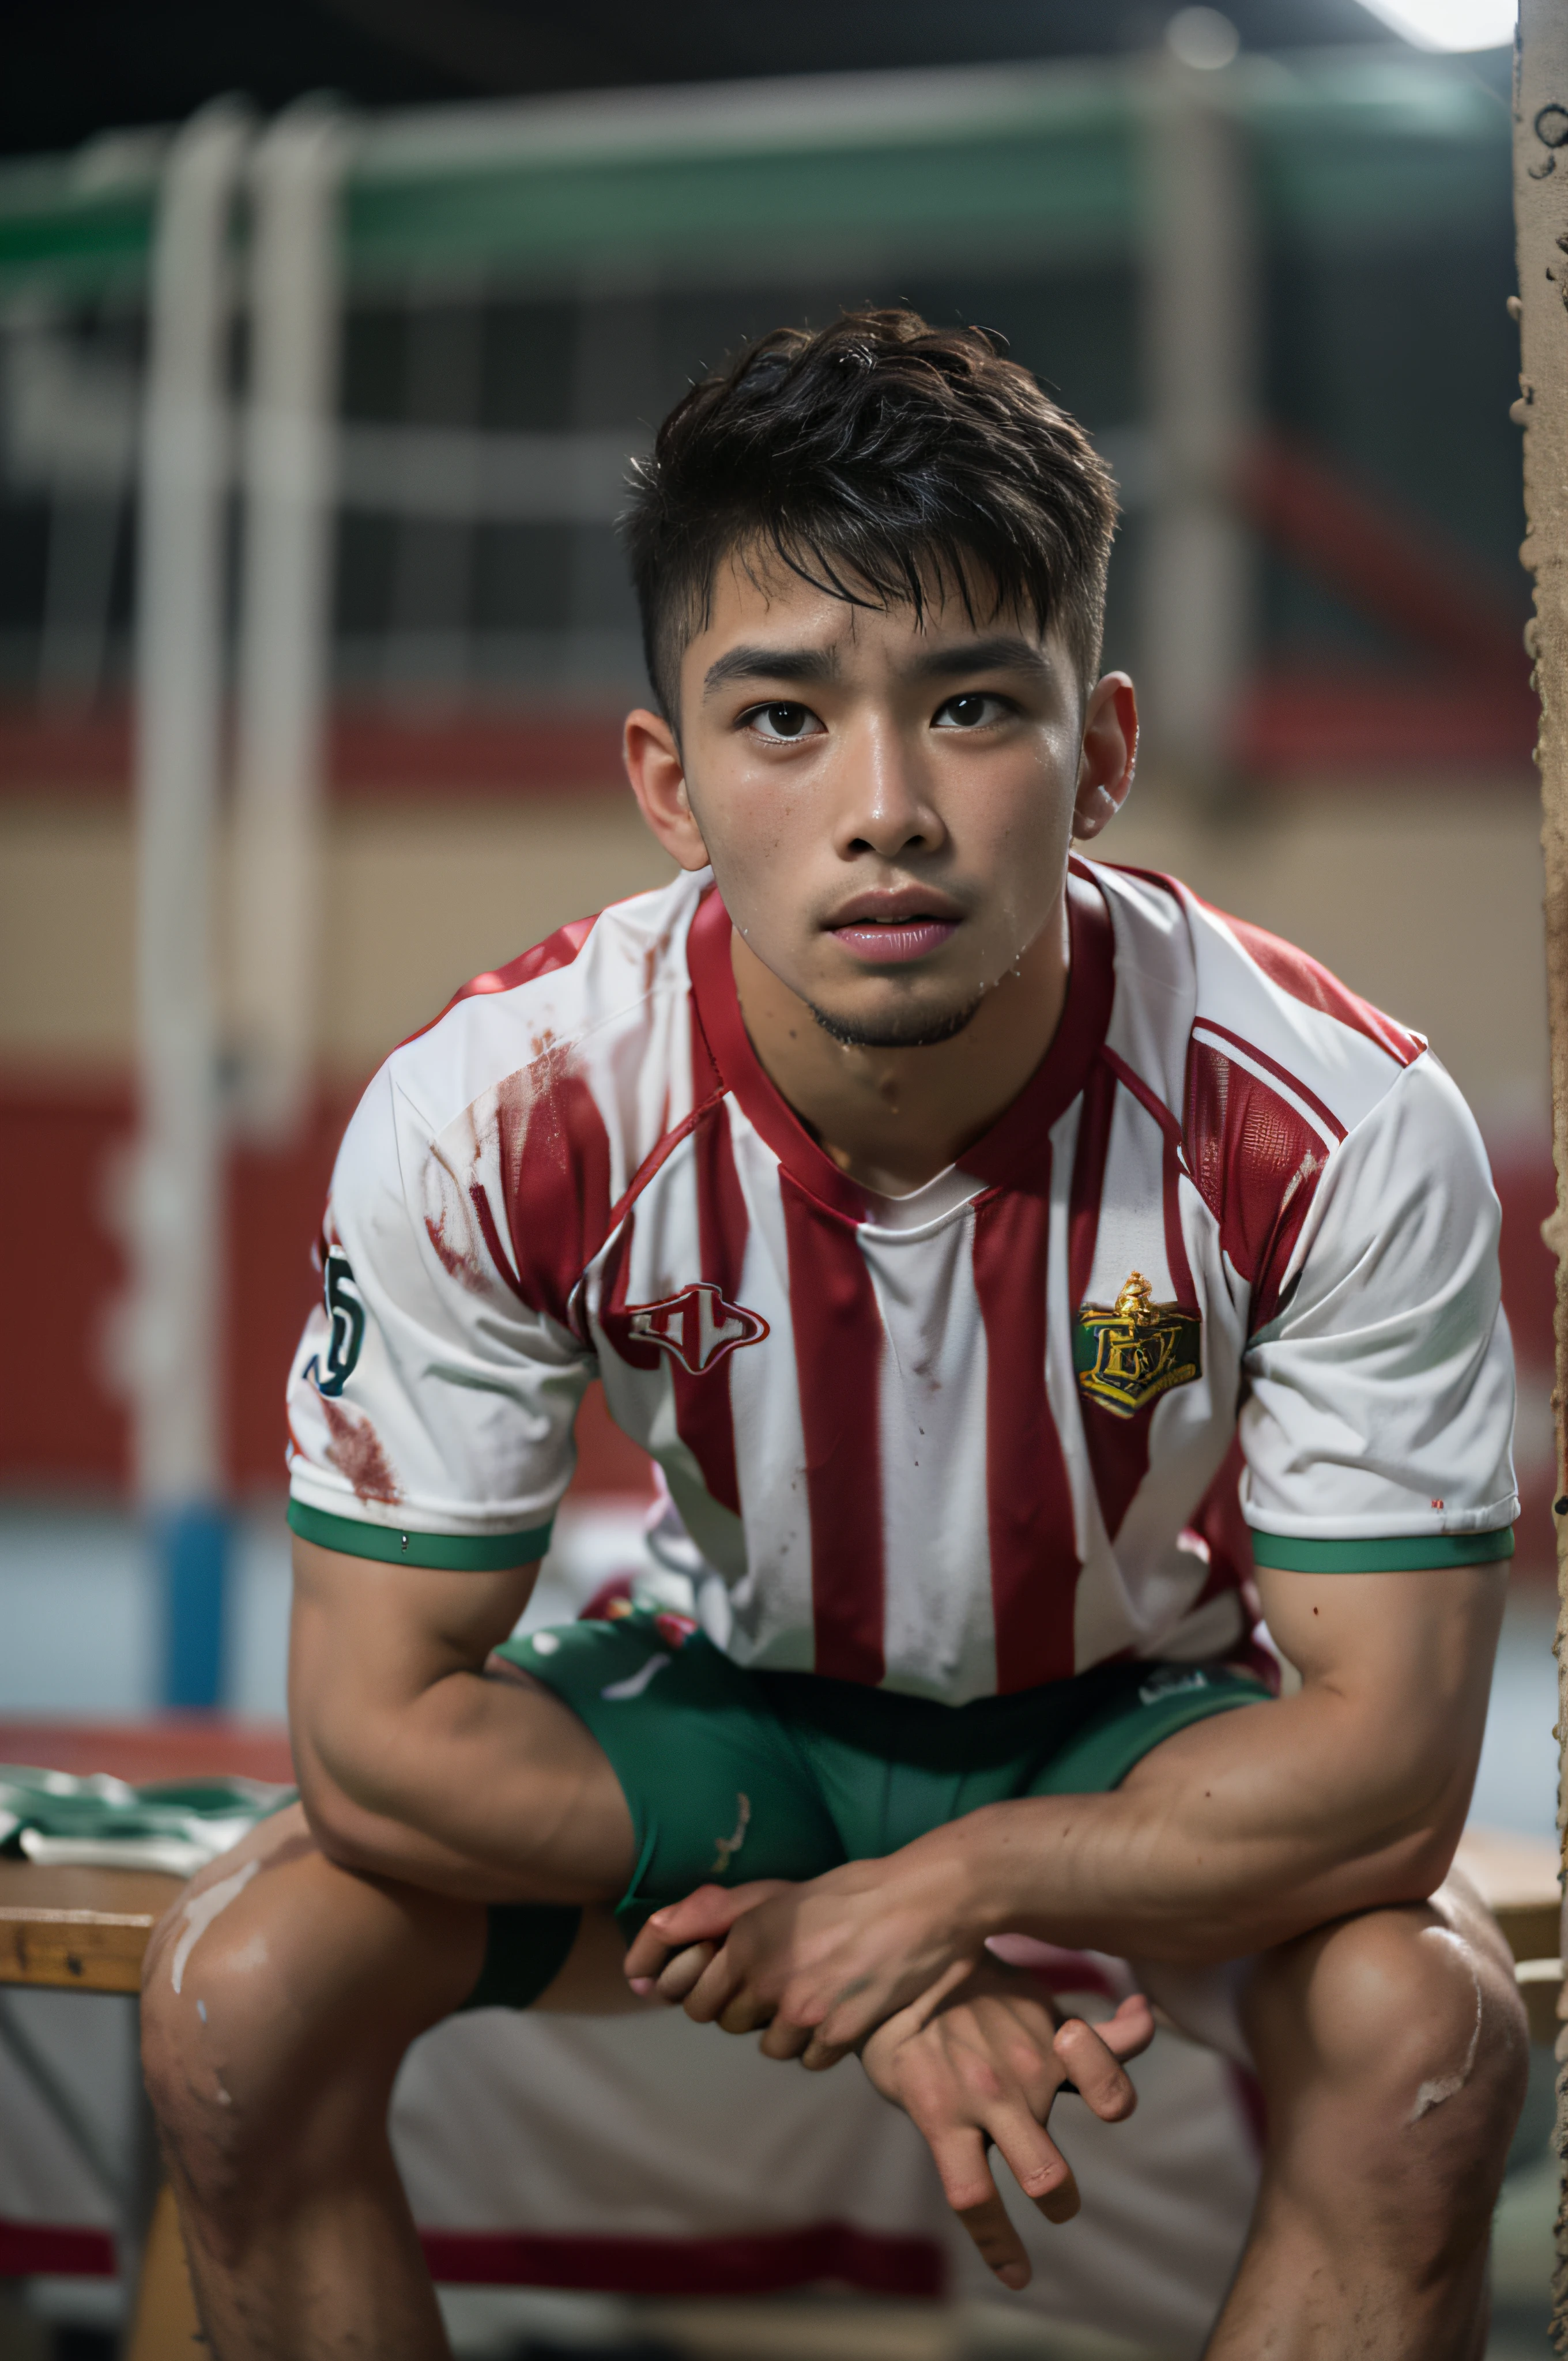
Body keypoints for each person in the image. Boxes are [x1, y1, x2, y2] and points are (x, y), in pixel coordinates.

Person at [141, 309, 1528, 2361]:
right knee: (237, 2001)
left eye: (973, 705)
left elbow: (1395, 1773)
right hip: (735, 1726)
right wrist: (875, 1934)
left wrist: (948, 1885)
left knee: (1427, 2042)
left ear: (1108, 753)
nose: (887, 808)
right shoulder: (504, 1111)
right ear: (669, 782)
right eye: (782, 719)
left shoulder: (1329, 1121)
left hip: (1134, 1710)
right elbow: (371, 1739)